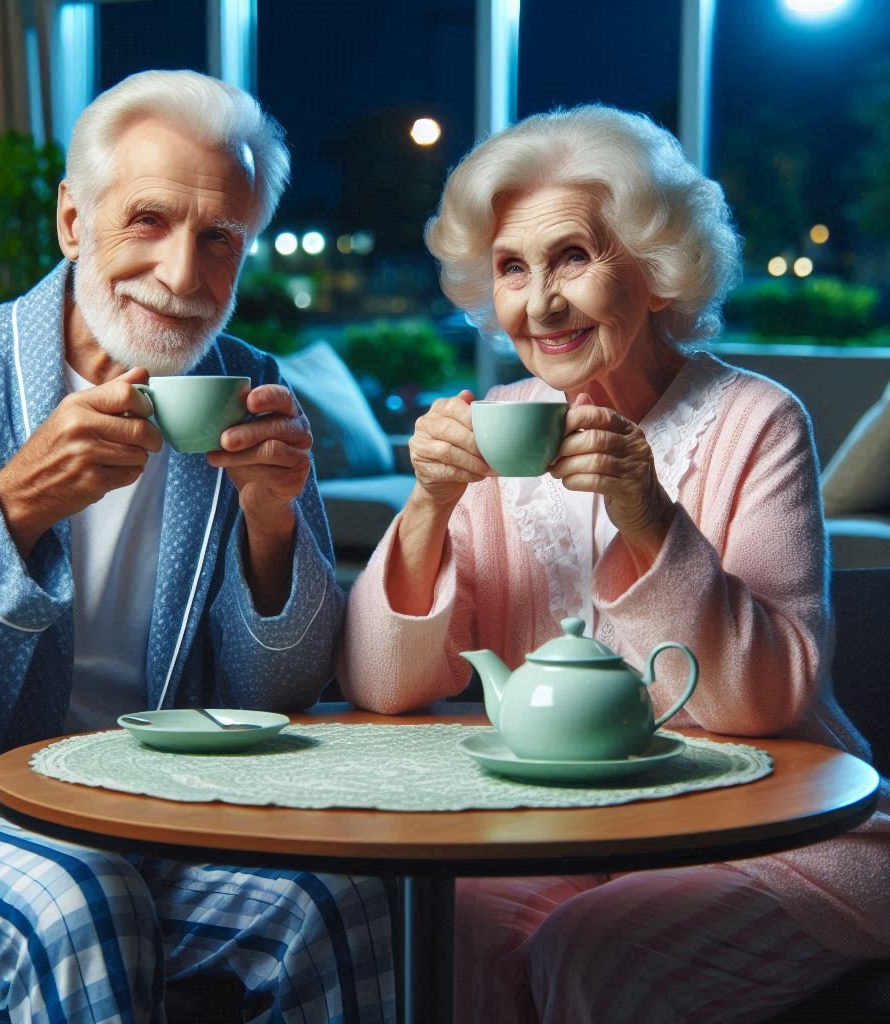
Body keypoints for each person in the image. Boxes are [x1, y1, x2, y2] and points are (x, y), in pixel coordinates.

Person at [341, 104, 890, 1023]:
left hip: (774, 829)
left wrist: (647, 516)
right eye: (511, 268)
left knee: (597, 948)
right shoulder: (497, 425)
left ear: (657, 267)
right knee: (443, 928)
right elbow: (383, 686)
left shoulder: (756, 421)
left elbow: (765, 703)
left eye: (573, 258)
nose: (539, 302)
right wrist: (429, 506)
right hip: (572, 834)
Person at [0, 70, 394, 1023]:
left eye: (220, 238)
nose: (185, 276)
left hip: (159, 815)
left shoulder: (249, 383)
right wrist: (14, 507)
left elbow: (283, 703)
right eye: (148, 219)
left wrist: (273, 524)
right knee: (82, 902)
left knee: (334, 900)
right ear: (75, 221)